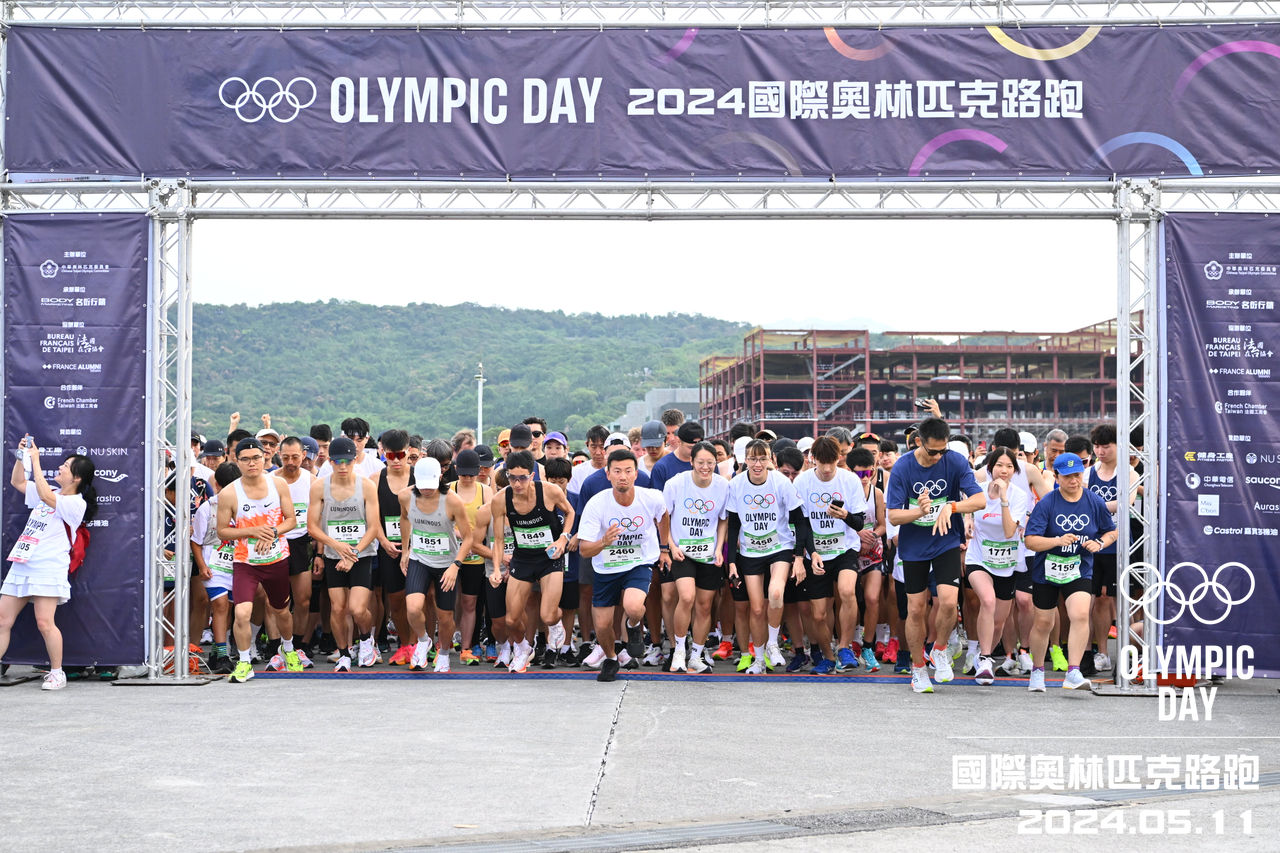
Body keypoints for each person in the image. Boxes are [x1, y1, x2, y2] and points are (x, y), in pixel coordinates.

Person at [885, 417, 986, 693]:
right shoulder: (903, 467)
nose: (938, 456)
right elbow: (894, 516)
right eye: (932, 451)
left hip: (945, 540)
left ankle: (939, 649)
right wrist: (920, 511)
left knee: (949, 602)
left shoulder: (954, 461)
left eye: (943, 450)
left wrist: (950, 507)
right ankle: (918, 668)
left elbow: (979, 500)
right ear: (919, 442)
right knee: (916, 608)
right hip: (914, 545)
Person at [0, 438, 96, 691]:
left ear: (77, 478)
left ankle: (56, 673)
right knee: (2, 620)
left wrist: (36, 460)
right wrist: (22, 456)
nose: (61, 468)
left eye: (66, 466)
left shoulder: (75, 503)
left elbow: (44, 494)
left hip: (49, 566)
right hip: (23, 561)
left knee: (44, 622)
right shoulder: (50, 491)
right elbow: (18, 482)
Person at [1024, 452, 1117, 692]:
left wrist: (1100, 543)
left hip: (1079, 569)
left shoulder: (1094, 501)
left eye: (1077, 475)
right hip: (1047, 570)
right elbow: (1030, 541)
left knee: (1080, 614)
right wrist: (1056, 541)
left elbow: (1111, 531)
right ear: (1056, 477)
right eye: (1067, 477)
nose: (1073, 481)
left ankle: (1073, 671)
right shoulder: (1047, 503)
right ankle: (1037, 670)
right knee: (1043, 623)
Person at [578, 448, 669, 682]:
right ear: (608, 474)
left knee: (634, 606)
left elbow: (663, 515)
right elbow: (584, 550)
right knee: (602, 626)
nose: (623, 476)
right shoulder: (596, 504)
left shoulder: (651, 497)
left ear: (636, 474)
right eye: (617, 471)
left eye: (628, 471)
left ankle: (633, 625)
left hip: (638, 561)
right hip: (606, 567)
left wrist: (664, 548)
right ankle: (610, 658)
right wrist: (604, 541)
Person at [217, 438, 302, 683]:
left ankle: (288, 648)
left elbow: (291, 520)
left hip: (276, 559)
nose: (252, 463)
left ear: (265, 457)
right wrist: (252, 531)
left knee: (281, 611)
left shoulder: (278, 484)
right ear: (236, 461)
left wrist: (273, 532)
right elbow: (222, 531)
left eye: (256, 457)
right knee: (242, 613)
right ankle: (244, 662)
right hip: (246, 562)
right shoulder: (229, 493)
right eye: (245, 459)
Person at [488, 450, 574, 673]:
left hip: (549, 557)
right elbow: (498, 540)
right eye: (512, 478)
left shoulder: (550, 491)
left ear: (532, 475)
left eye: (523, 478)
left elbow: (570, 512)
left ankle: (556, 624)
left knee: (547, 614)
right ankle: (523, 648)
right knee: (511, 620)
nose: (517, 484)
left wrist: (563, 538)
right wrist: (496, 569)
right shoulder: (500, 500)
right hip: (523, 558)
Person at [725, 438, 805, 674]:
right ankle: (758, 659)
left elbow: (800, 521)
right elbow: (733, 524)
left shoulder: (781, 482)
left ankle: (772, 643)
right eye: (752, 459)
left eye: (762, 459)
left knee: (776, 593)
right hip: (750, 551)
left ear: (771, 459)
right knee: (757, 609)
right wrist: (731, 562)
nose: (757, 464)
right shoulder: (736, 484)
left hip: (779, 547)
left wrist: (799, 557)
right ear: (745, 460)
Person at [793, 437, 869, 673]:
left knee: (847, 591)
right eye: (821, 462)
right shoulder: (802, 481)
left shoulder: (850, 480)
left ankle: (845, 647)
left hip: (845, 548)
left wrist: (845, 515)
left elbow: (859, 522)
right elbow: (802, 524)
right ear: (812, 459)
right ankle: (828, 656)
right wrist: (810, 553)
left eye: (832, 462)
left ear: (839, 458)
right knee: (818, 614)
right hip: (816, 552)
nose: (826, 469)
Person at [306, 436, 380, 672]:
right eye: (338, 461)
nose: (343, 466)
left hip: (362, 553)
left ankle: (367, 640)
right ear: (330, 461)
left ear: (355, 460)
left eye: (348, 461)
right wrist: (336, 546)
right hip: (334, 554)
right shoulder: (320, 486)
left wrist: (353, 553)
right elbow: (312, 527)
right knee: (338, 608)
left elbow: (374, 527)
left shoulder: (367, 486)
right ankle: (344, 653)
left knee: (357, 608)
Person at [400, 457, 473, 672]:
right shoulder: (405, 496)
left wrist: (455, 566)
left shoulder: (452, 501)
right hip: (420, 559)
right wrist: (405, 550)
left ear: (440, 477)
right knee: (413, 608)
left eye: (431, 486)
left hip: (446, 564)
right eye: (423, 486)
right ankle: (424, 640)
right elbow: (404, 518)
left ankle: (444, 653)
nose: (426, 490)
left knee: (445, 616)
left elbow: (468, 537)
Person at [963, 447, 1029, 685]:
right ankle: (984, 658)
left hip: (1007, 563)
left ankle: (985, 657)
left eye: (1009, 466)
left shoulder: (1019, 496)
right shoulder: (978, 491)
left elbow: (1010, 531)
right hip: (978, 558)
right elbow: (968, 508)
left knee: (999, 620)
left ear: (1015, 471)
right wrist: (968, 520)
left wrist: (1003, 499)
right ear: (990, 468)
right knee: (988, 601)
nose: (1004, 470)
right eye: (999, 465)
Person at [661, 441, 729, 673]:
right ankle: (679, 651)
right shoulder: (676, 483)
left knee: (704, 606)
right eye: (700, 462)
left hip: (709, 553)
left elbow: (723, 520)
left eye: (710, 463)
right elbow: (663, 518)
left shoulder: (723, 486)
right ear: (691, 461)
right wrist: (670, 546)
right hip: (682, 552)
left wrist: (719, 548)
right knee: (687, 597)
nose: (705, 467)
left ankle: (696, 656)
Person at [450, 448, 493, 665]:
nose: (467, 478)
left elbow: (490, 522)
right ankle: (444, 644)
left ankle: (466, 648)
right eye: (463, 474)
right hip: (450, 553)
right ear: (456, 469)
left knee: (469, 602)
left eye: (472, 474)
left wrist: (473, 543)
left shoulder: (485, 491)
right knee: (446, 603)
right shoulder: (448, 489)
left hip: (475, 555)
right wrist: (462, 537)